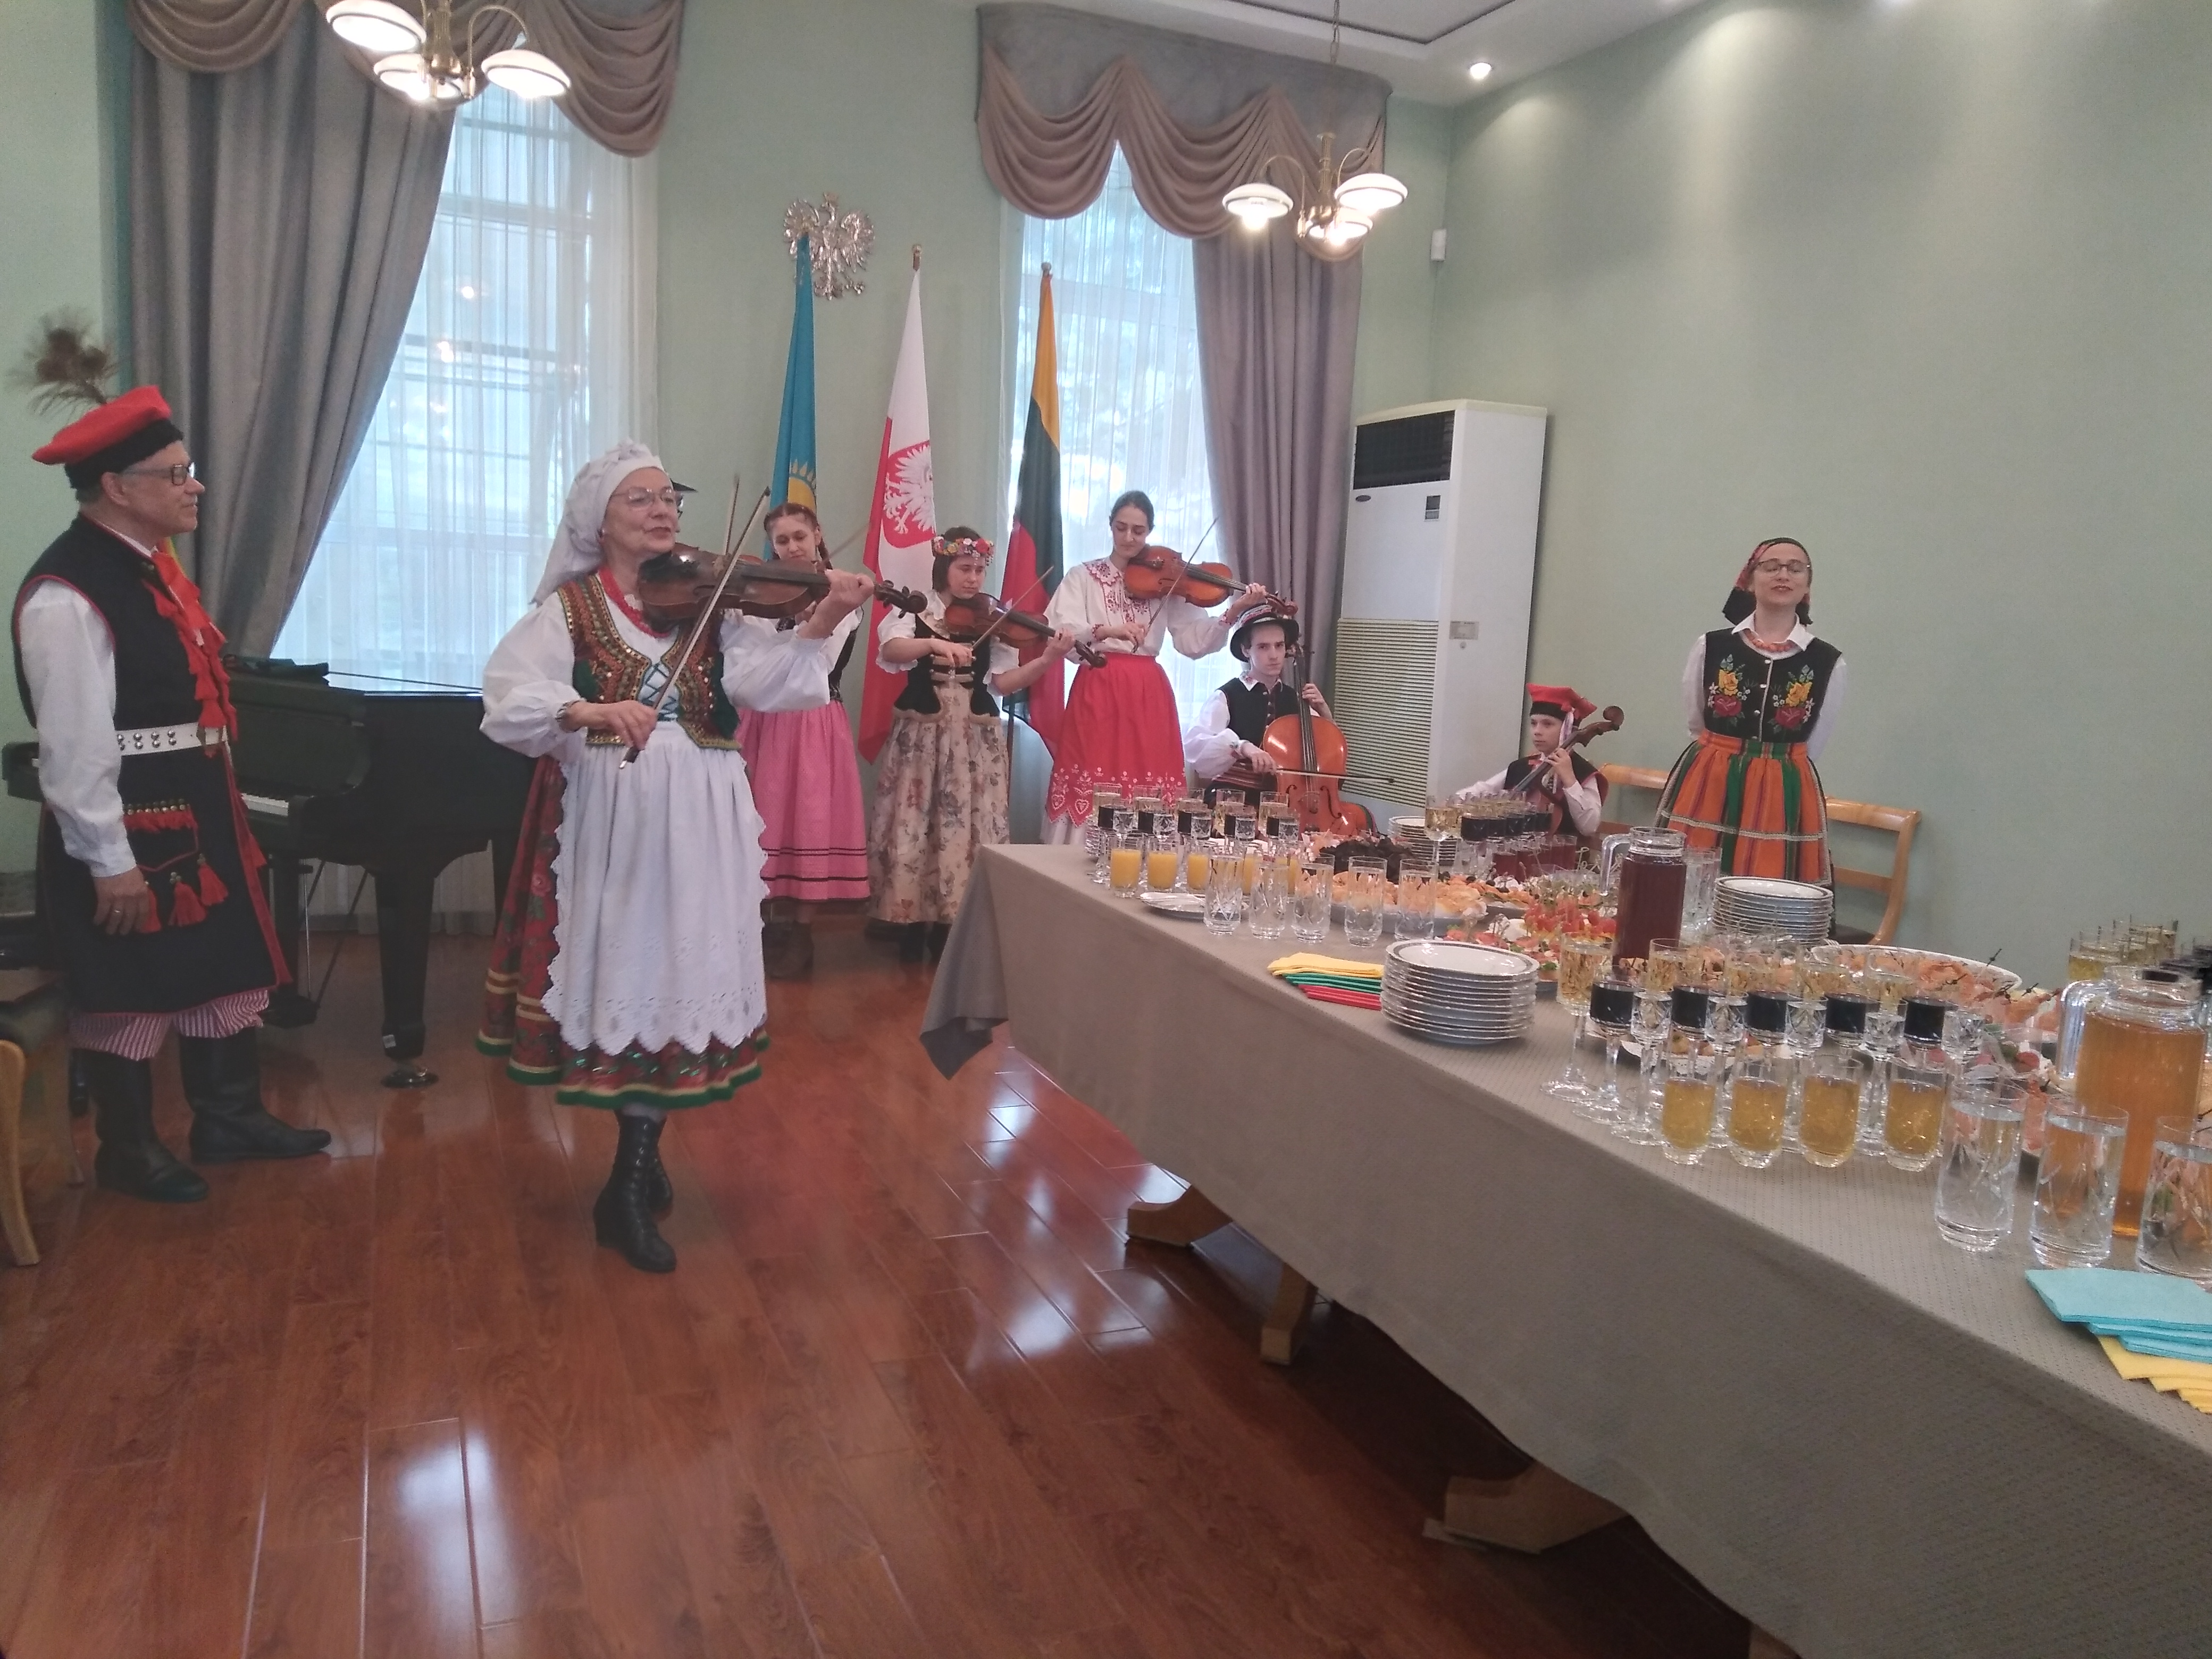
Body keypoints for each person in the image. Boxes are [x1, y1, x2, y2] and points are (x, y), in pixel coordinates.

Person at [476, 442, 872, 1272]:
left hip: (701, 815)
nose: (663, 510)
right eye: (641, 499)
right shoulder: (572, 608)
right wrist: (587, 709)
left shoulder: (713, 604)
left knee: (677, 979)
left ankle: (636, 1163)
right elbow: (508, 698)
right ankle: (627, 1181)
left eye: (670, 498)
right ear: (600, 522)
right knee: (633, 976)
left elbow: (768, 684)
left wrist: (824, 618)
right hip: (611, 821)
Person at [12, 350, 326, 1204]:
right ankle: (129, 1147)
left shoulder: (152, 567)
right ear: (117, 487)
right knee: (132, 982)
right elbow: (75, 743)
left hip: (196, 802)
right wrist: (106, 859)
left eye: (191, 470)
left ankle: (229, 1114)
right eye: (177, 474)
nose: (196, 487)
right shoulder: (68, 592)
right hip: (130, 821)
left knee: (219, 959)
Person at [870, 528, 1077, 961]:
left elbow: (1003, 683)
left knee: (963, 825)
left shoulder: (991, 620)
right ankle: (910, 921)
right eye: (965, 569)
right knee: (917, 820)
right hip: (923, 736)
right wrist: (934, 642)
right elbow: (892, 650)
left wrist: (1047, 659)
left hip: (973, 736)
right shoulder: (919, 607)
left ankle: (951, 923)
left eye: (980, 570)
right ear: (945, 568)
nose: (973, 579)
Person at [1040, 490, 1274, 838]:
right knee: (1093, 767)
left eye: (1139, 530)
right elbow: (1060, 631)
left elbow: (1192, 641)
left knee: (1147, 778)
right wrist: (1107, 630)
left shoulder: (1167, 581)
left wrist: (1234, 611)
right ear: (1110, 526)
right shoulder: (1083, 576)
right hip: (1099, 682)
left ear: (1150, 531)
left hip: (1148, 691)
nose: (1129, 538)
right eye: (1121, 528)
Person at [1656, 538, 1847, 880]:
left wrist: (1772, 766)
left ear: (1807, 584)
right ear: (1749, 579)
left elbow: (1814, 743)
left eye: (1795, 568)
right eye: (1771, 567)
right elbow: (1697, 721)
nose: (1783, 575)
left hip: (1782, 786)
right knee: (1692, 881)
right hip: (1711, 777)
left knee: (1768, 885)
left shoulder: (1828, 661)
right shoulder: (1711, 646)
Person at [736, 501, 870, 979]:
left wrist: (819, 616)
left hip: (814, 720)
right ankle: (757, 927)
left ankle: (801, 933)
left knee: (808, 821)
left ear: (818, 535)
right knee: (760, 818)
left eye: (799, 536)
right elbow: (754, 658)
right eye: (782, 540)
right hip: (763, 719)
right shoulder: (764, 595)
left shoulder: (843, 594)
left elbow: (821, 664)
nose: (792, 546)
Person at [1181, 608, 1330, 792]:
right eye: (1263, 647)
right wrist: (1242, 747)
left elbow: (1329, 755)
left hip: (1284, 797)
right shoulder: (1227, 695)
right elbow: (1196, 747)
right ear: (1246, 651)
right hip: (1234, 795)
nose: (1274, 655)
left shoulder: (1295, 700)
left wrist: (1325, 713)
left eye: (1279, 645)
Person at [1455, 684, 1605, 840]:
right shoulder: (1522, 766)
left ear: (1567, 729)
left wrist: (1570, 780)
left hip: (1560, 852)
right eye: (1534, 723)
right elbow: (1487, 789)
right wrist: (1455, 801)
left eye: (1547, 724)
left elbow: (1589, 827)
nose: (1537, 731)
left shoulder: (1583, 771)